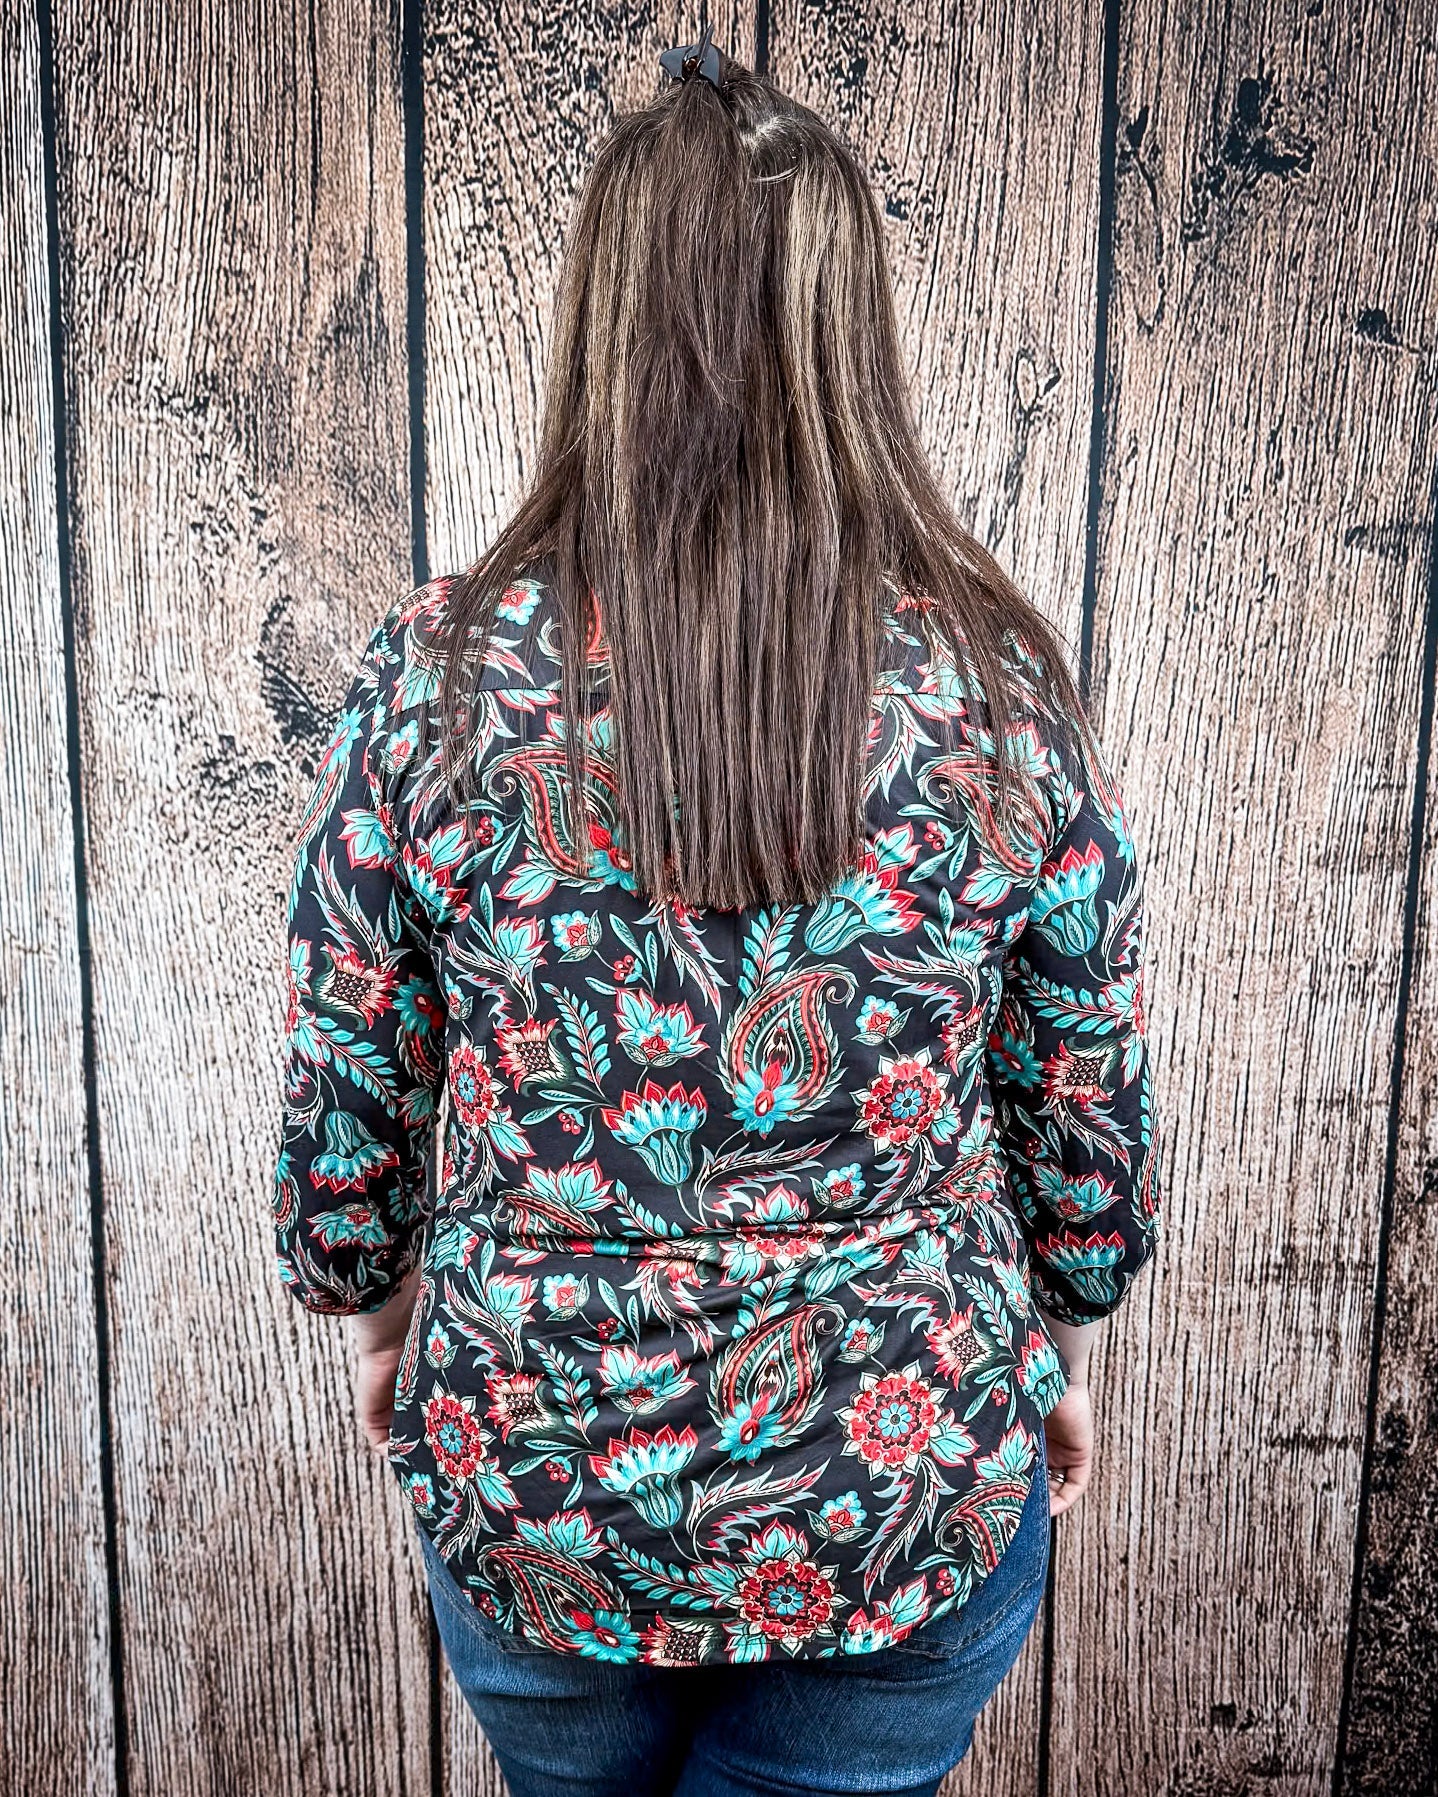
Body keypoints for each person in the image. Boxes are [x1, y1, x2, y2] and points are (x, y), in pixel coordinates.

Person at [273, 29, 1162, 1797]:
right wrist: (1059, 1340)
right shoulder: (990, 685)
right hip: (897, 1484)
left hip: (540, 1481)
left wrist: (376, 1315)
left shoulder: (442, 672)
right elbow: (1084, 1097)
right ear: (850, 335)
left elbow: (347, 1064)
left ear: (603, 324)